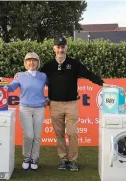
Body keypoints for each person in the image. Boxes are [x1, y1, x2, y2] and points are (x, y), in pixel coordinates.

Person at [39, 36, 108, 171]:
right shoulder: (48, 65)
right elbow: (36, 79)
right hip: (55, 104)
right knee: (59, 134)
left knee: (72, 133)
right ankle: (63, 159)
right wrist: (20, 75)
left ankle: (73, 160)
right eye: (58, 47)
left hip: (71, 104)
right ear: (54, 48)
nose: (60, 49)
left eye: (63, 46)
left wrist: (102, 83)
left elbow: (88, 74)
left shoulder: (74, 64)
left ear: (66, 47)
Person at [0, 52, 48, 170]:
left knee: (37, 136)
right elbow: (10, 88)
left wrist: (49, 99)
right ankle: (26, 157)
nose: (32, 62)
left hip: (39, 108)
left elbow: (54, 87)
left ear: (38, 62)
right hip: (25, 108)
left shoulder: (43, 76)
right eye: (29, 60)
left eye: (34, 60)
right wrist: (2, 81)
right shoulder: (20, 75)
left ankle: (34, 158)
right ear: (25, 63)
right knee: (29, 135)